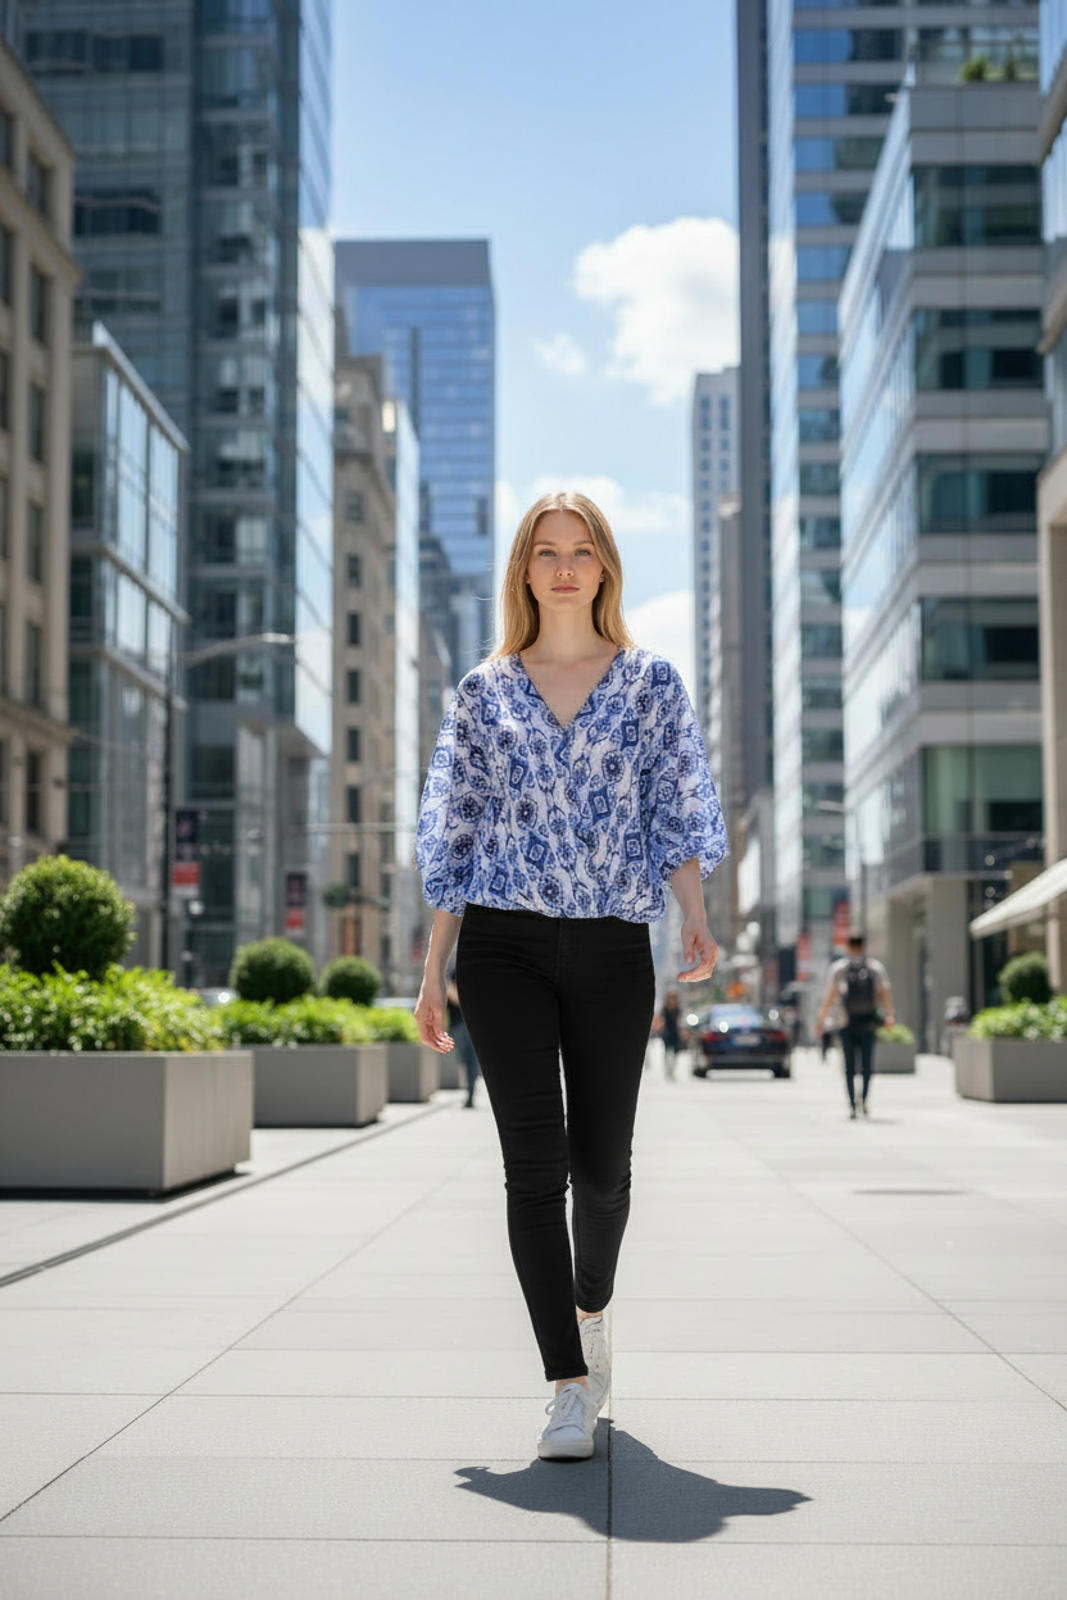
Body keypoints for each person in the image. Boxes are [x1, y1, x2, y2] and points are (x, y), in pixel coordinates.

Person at [413, 490, 728, 1461]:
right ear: (522, 570)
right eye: (544, 551)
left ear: (602, 567)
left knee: (602, 1172)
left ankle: (591, 1309)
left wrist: (696, 915)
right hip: (500, 946)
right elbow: (451, 834)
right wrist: (433, 971)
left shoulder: (649, 683)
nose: (562, 567)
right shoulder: (482, 689)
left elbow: (675, 805)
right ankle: (563, 1381)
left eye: (579, 550)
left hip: (606, 945)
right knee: (532, 1171)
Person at [814, 931, 896, 1120]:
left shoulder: (839, 969)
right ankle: (864, 1100)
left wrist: (821, 1021)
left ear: (848, 947)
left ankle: (852, 1105)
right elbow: (884, 993)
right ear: (863, 946)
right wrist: (890, 1016)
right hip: (868, 1023)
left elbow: (829, 998)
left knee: (849, 1067)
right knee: (867, 1065)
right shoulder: (875, 968)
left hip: (846, 1023)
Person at [444, 953, 481, 1108]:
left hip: (464, 1024)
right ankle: (470, 1091)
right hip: (459, 1023)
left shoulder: (467, 973)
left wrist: (447, 988)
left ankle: (470, 1093)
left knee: (469, 1060)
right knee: (465, 1060)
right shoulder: (455, 972)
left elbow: (457, 997)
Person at [656, 987, 685, 1081]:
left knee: (675, 1053)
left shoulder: (678, 1008)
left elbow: (680, 1021)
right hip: (667, 1032)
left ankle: (672, 1070)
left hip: (675, 1032)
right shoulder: (665, 1009)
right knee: (667, 1051)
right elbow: (661, 1020)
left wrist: (681, 1031)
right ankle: (668, 1070)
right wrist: (660, 1028)